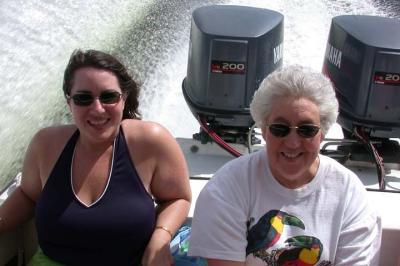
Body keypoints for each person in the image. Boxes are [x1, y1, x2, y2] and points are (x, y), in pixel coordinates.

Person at [0, 49, 191, 265]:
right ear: (69, 103)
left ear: (124, 99)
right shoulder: (45, 144)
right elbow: (28, 195)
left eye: (109, 96)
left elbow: (178, 197)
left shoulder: (151, 141)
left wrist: (161, 237)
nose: (98, 109)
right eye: (83, 98)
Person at [188, 65, 381, 265]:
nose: (292, 143)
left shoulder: (349, 192)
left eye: (307, 130)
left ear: (322, 133)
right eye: (280, 128)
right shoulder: (227, 188)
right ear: (263, 130)